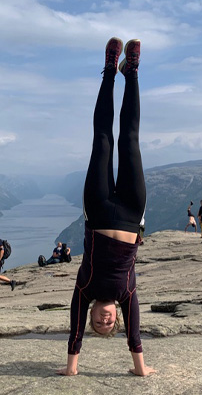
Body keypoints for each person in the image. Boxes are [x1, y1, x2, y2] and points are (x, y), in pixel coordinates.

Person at [58, 38, 155, 377]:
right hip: (131, 211)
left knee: (102, 138)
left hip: (97, 209)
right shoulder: (127, 294)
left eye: (97, 323)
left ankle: (110, 71)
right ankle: (132, 71)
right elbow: (136, 335)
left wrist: (72, 369)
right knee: (129, 138)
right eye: (108, 324)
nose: (103, 319)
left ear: (92, 317)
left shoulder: (84, 290)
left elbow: (73, 334)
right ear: (116, 318)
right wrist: (140, 369)